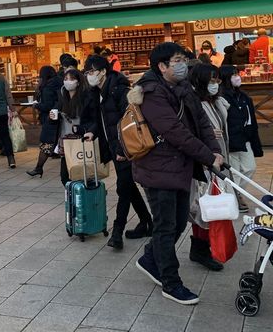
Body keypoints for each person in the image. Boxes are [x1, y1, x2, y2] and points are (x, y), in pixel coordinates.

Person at [132, 42, 222, 305]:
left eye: (184, 59)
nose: (183, 64)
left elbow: (201, 122)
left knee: (180, 222)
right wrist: (206, 157)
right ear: (162, 66)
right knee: (165, 226)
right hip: (157, 169)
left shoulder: (184, 89)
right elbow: (176, 133)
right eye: (177, 60)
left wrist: (215, 151)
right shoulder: (150, 93)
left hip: (180, 167)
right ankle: (171, 283)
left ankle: (150, 258)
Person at [81, 54, 152, 249]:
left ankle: (117, 231)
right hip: (113, 146)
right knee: (128, 186)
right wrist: (92, 132)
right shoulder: (97, 92)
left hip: (126, 148)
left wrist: (122, 148)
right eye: (87, 72)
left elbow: (127, 121)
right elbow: (101, 119)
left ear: (103, 71)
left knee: (123, 187)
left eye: (92, 72)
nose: (90, 76)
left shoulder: (118, 90)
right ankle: (147, 222)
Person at [188, 63, 230, 271]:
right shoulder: (194, 102)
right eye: (211, 81)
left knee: (210, 206)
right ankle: (200, 249)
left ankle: (201, 247)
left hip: (218, 159)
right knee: (202, 207)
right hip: (204, 162)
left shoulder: (216, 101)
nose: (215, 84)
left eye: (217, 80)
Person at [219, 65, 263, 210]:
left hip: (245, 139)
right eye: (233, 75)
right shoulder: (220, 98)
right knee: (234, 172)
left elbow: (252, 121)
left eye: (237, 74)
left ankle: (236, 193)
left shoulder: (244, 97)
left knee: (250, 168)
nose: (237, 77)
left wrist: (254, 140)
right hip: (230, 141)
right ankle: (235, 198)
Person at [27, 65, 61, 178]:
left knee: (46, 145)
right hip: (60, 118)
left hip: (50, 120)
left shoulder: (47, 88)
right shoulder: (59, 83)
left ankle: (38, 168)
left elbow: (47, 106)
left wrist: (37, 105)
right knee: (57, 144)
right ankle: (39, 168)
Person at [57, 68, 89, 186]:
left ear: (78, 82)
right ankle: (73, 200)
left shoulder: (84, 98)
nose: (68, 81)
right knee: (65, 177)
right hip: (66, 141)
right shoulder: (62, 97)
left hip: (80, 141)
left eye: (72, 79)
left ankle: (80, 200)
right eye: (66, 79)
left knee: (81, 175)